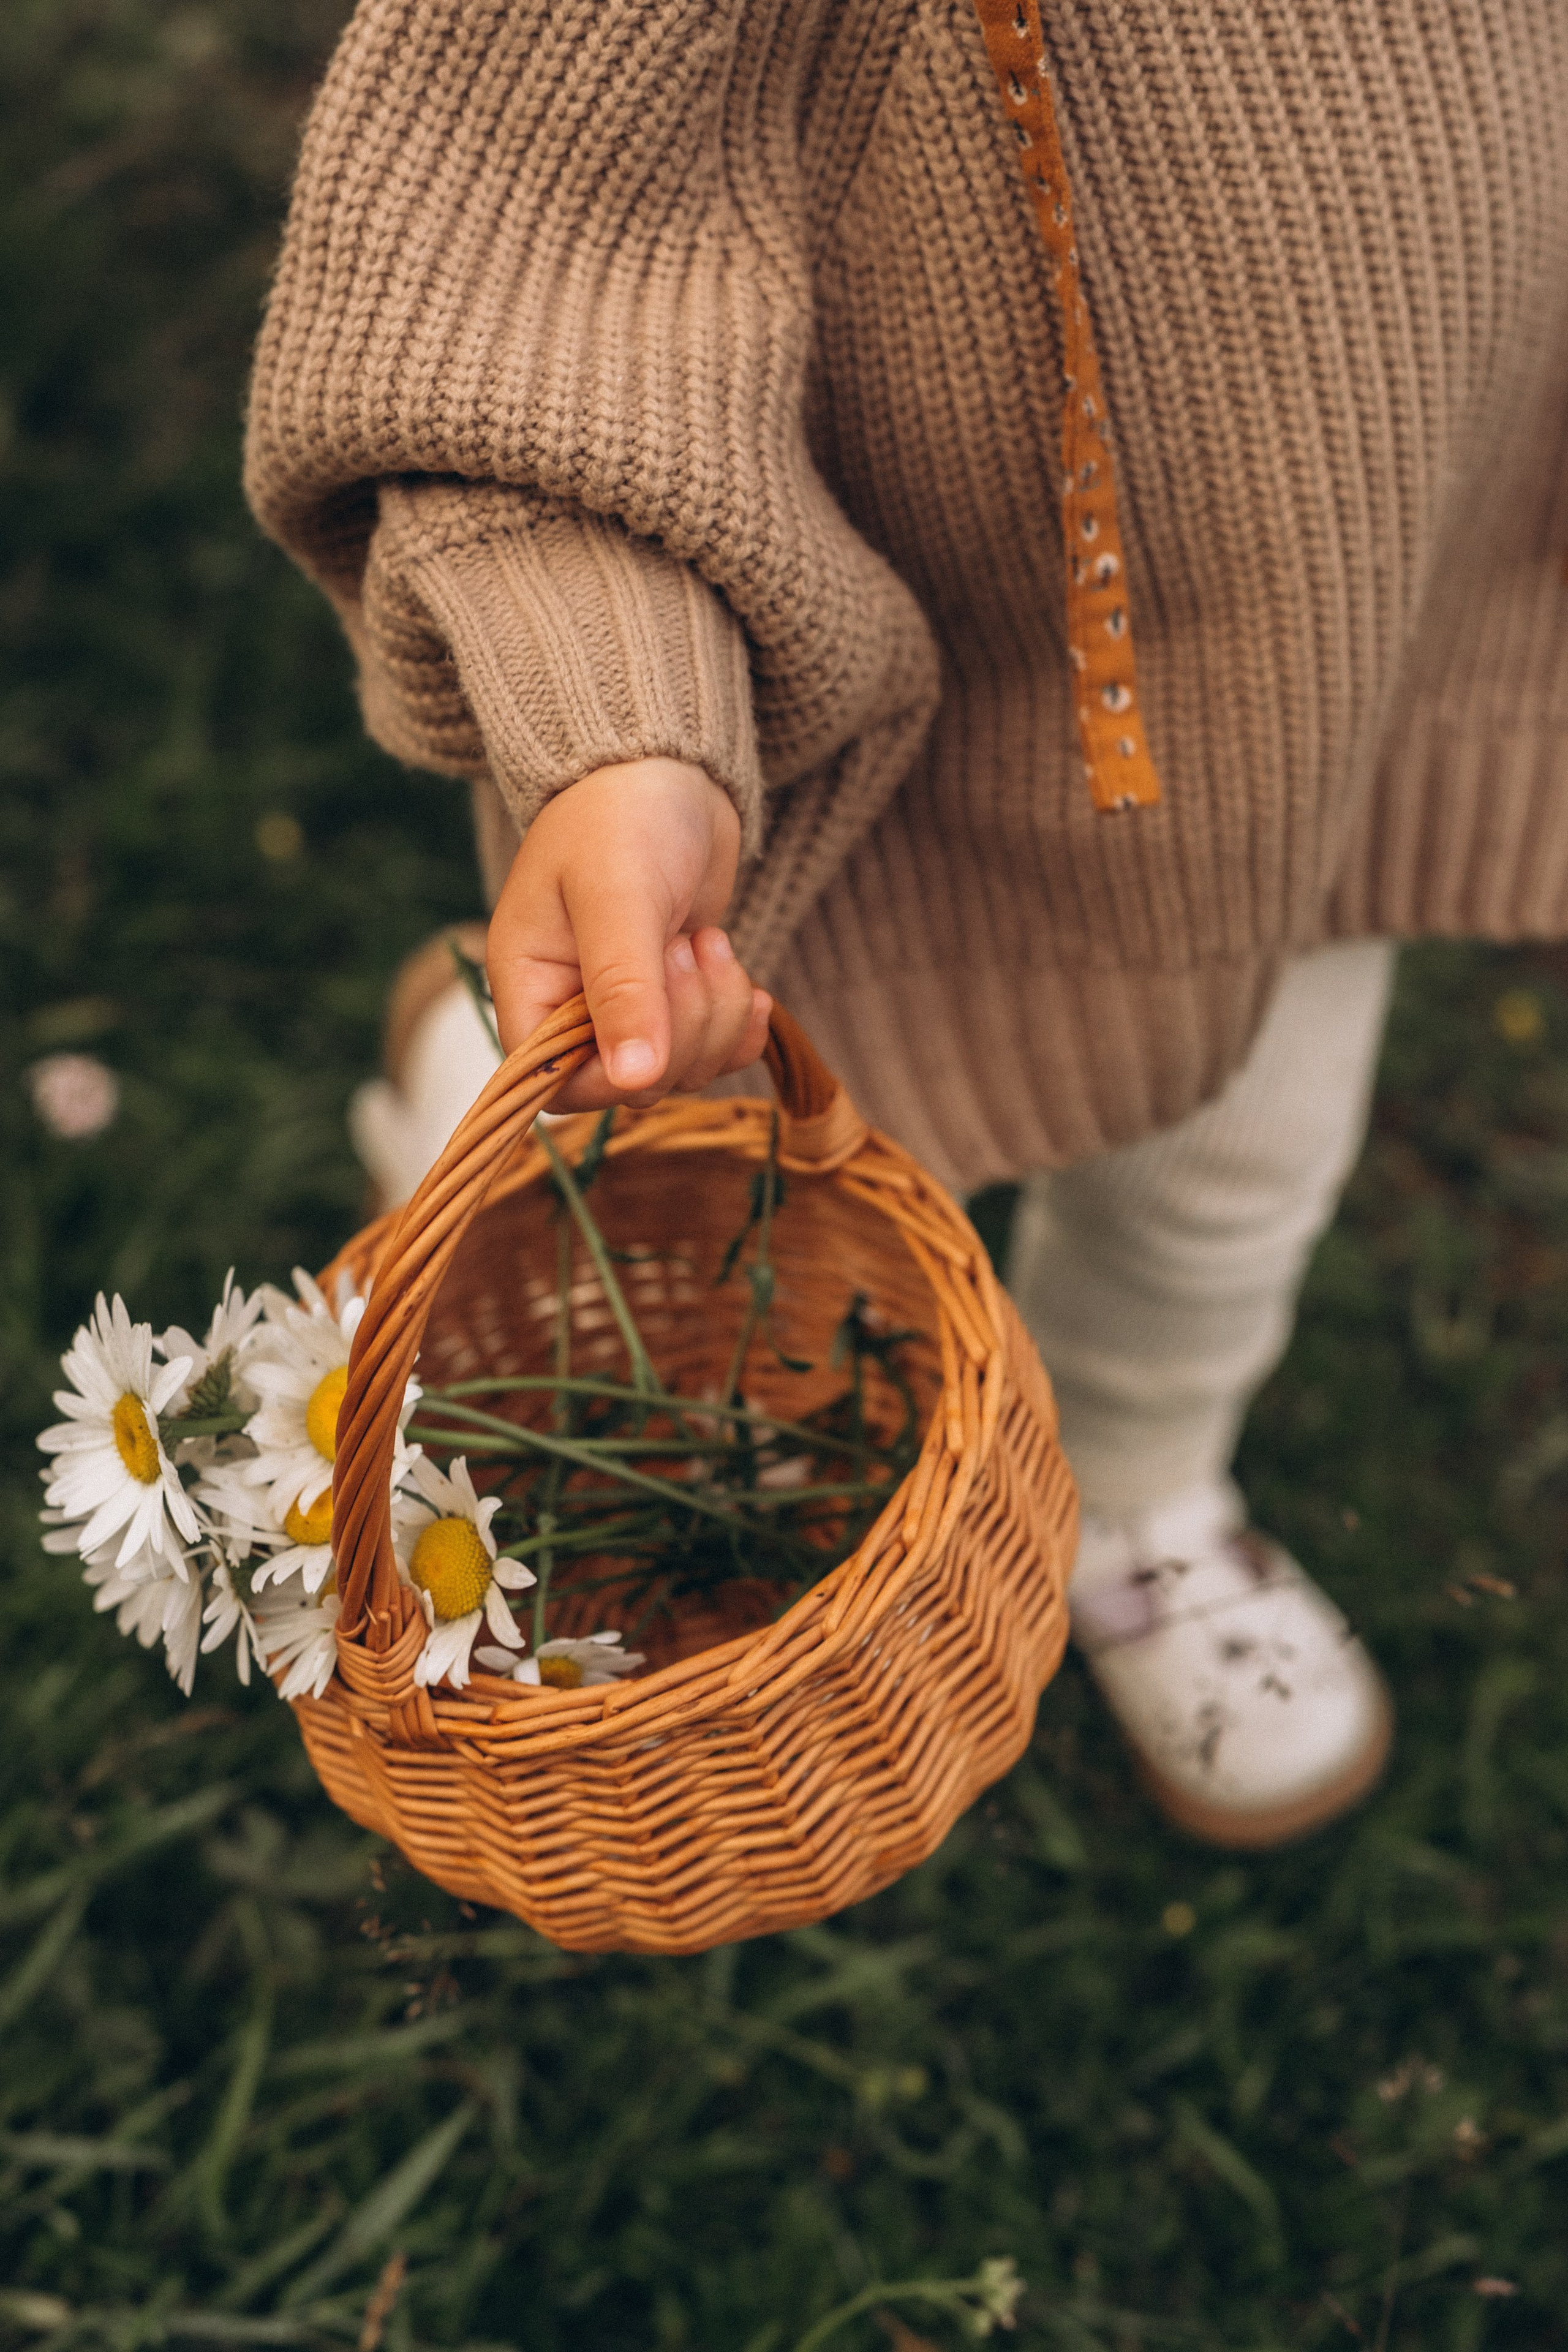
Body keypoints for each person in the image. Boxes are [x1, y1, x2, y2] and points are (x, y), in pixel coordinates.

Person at [245, 0, 1568, 1848]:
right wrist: (621, 715)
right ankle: (471, 1073)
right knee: (673, 1150)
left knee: (1237, 1161)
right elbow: (514, 267)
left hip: (1342, 664)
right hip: (874, 721)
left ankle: (1140, 1496)